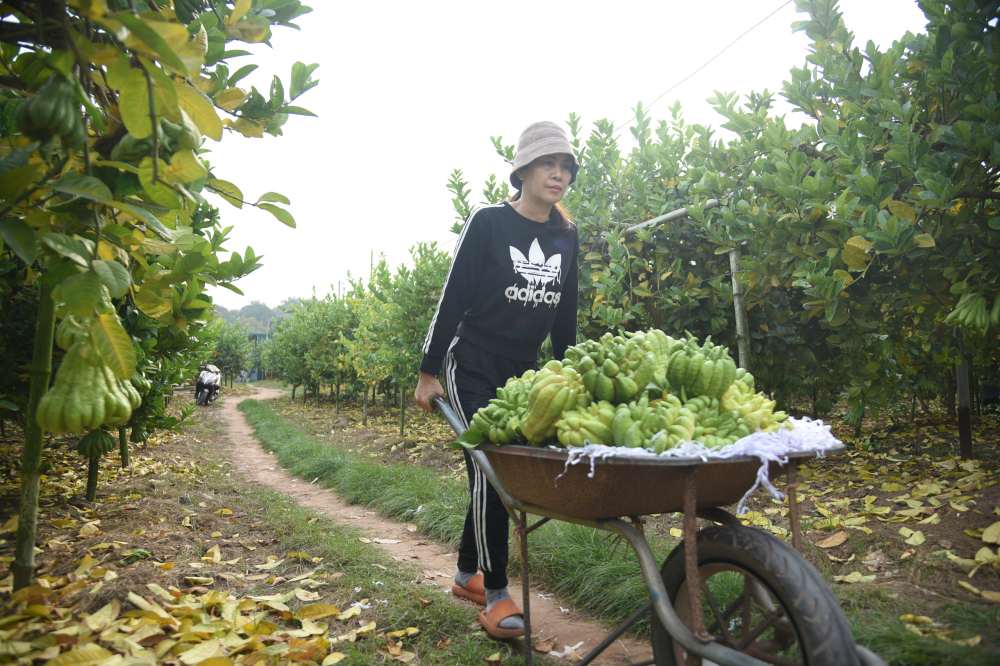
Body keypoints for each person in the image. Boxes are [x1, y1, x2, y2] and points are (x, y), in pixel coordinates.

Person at [415, 121, 580, 639]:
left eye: (567, 167)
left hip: (524, 372)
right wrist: (428, 371)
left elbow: (566, 317)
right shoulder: (488, 222)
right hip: (474, 363)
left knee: (494, 467)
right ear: (524, 170)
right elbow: (453, 297)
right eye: (549, 164)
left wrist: (568, 380)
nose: (559, 175)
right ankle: (498, 594)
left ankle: (468, 573)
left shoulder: (565, 235)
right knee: (492, 467)